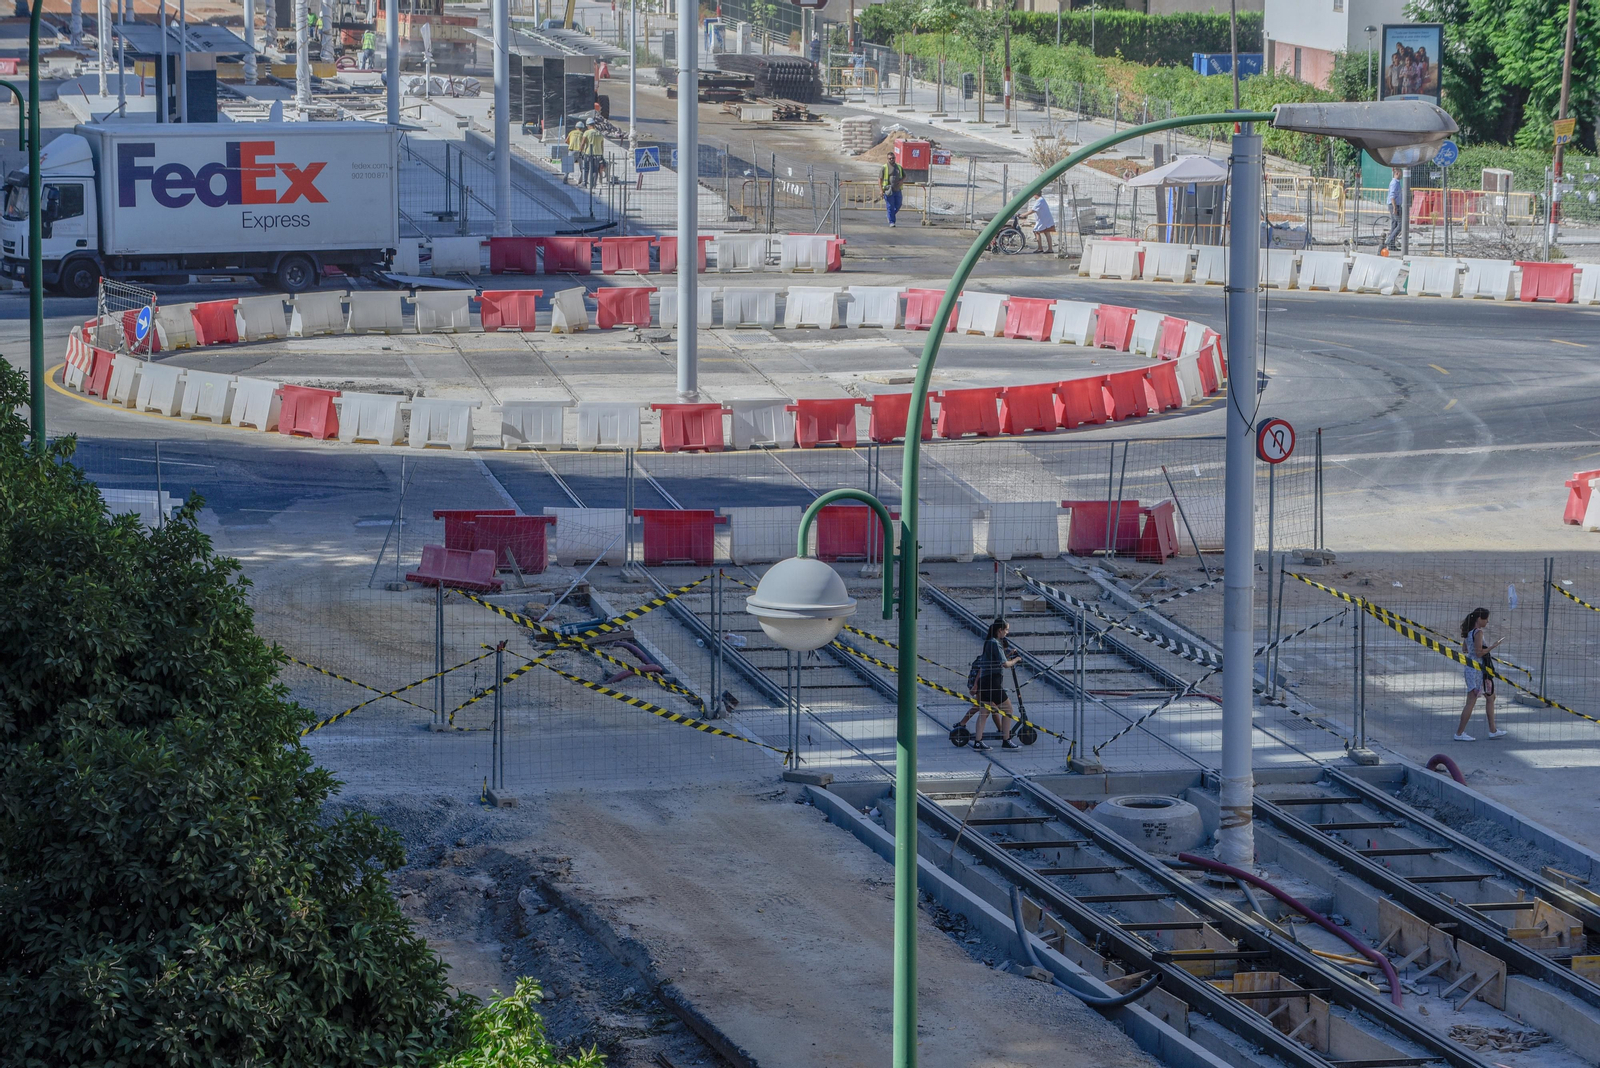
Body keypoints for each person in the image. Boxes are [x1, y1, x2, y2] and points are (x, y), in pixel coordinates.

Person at [953, 620, 1021, 751]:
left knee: (984, 711)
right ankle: (1006, 740)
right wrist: (1017, 659)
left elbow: (995, 660)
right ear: (999, 630)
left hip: (985, 681)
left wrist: (1009, 654)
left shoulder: (988, 642)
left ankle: (978, 742)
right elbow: (1005, 664)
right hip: (993, 681)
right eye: (1006, 630)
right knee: (1008, 710)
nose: (1007, 632)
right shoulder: (995, 643)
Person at [1455, 607, 1508, 742]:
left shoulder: (1469, 632)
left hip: (1474, 668)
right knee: (1471, 701)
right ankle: (1459, 733)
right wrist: (1492, 646)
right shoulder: (1478, 632)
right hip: (1477, 669)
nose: (1487, 622)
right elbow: (1479, 653)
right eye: (1486, 619)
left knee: (1491, 697)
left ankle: (1493, 730)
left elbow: (1465, 649)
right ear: (1480, 619)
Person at [881, 158, 905, 228]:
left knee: (899, 204)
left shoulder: (899, 167)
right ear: (887, 159)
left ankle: (890, 215)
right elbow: (880, 179)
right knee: (890, 206)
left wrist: (901, 181)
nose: (891, 159)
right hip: (888, 190)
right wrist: (881, 190)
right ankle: (892, 222)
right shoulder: (884, 167)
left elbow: (904, 175)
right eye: (890, 158)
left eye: (893, 158)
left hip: (897, 190)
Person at [583, 119, 606, 188]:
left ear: (589, 125)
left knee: (586, 169)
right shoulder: (599, 133)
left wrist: (580, 151)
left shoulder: (587, 132)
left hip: (588, 153)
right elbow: (602, 145)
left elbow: (583, 143)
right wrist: (602, 154)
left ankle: (585, 183)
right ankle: (593, 185)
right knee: (595, 170)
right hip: (598, 154)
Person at [1384, 168, 1404, 250]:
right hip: (1394, 206)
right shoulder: (1394, 183)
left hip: (1395, 205)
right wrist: (1395, 207)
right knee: (1401, 224)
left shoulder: (1397, 183)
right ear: (1397, 173)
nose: (1402, 175)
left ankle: (1391, 245)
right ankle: (1389, 240)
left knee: (1394, 224)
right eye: (1401, 173)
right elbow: (1392, 196)